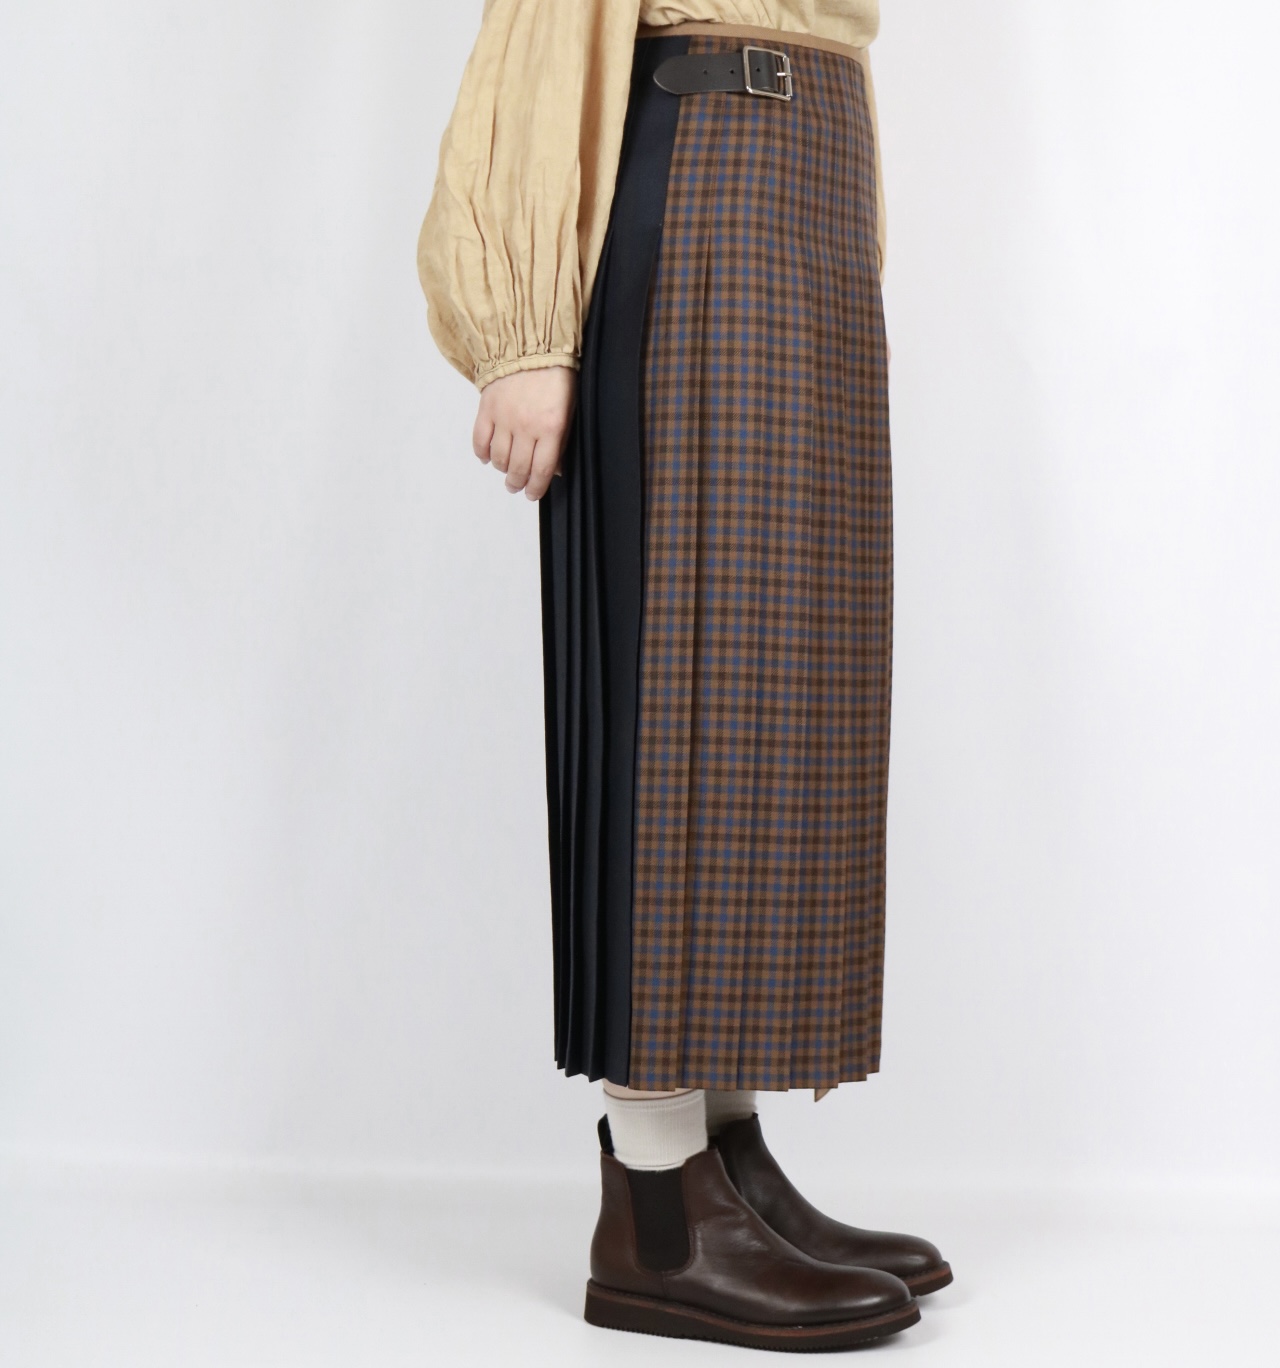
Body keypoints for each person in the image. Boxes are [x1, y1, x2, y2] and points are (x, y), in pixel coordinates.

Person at [418, 1, 950, 1350]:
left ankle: (727, 1159)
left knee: (781, 691)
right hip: (704, 162)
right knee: (673, 682)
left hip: (804, 175)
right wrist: (525, 332)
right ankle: (657, 1210)